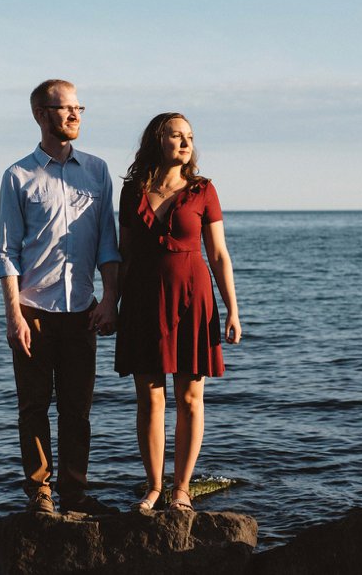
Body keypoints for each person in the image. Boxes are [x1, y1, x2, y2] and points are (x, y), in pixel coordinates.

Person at [0, 79, 120, 515]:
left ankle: (74, 493)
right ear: (40, 114)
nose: (74, 116)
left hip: (82, 311)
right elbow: (8, 252)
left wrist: (110, 300)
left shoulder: (98, 171)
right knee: (32, 408)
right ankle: (40, 493)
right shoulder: (18, 175)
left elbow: (109, 242)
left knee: (77, 411)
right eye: (65, 108)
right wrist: (14, 315)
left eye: (79, 108)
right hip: (34, 312)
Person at [115, 112, 241, 512]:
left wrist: (232, 309)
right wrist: (110, 302)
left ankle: (182, 490)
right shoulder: (133, 190)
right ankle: (154, 487)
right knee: (149, 398)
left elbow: (219, 255)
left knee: (190, 398)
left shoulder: (203, 190)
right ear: (158, 140)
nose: (185, 142)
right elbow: (123, 253)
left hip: (193, 299)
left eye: (189, 136)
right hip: (142, 301)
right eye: (176, 135)